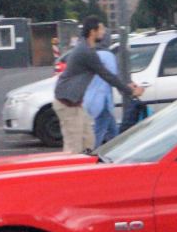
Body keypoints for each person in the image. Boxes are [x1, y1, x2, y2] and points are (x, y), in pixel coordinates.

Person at [54, 17, 142, 154]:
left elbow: (109, 75)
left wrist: (125, 86)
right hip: (67, 104)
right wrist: (130, 91)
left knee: (89, 142)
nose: (104, 32)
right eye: (101, 29)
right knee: (74, 147)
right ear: (92, 32)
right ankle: (71, 173)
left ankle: (86, 171)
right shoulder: (86, 52)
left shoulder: (87, 48)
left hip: (75, 104)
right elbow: (106, 75)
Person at [82, 45, 119, 147]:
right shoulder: (108, 56)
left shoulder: (92, 57)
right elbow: (113, 76)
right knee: (99, 130)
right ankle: (90, 153)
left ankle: (116, 150)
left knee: (113, 130)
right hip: (103, 100)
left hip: (92, 99)